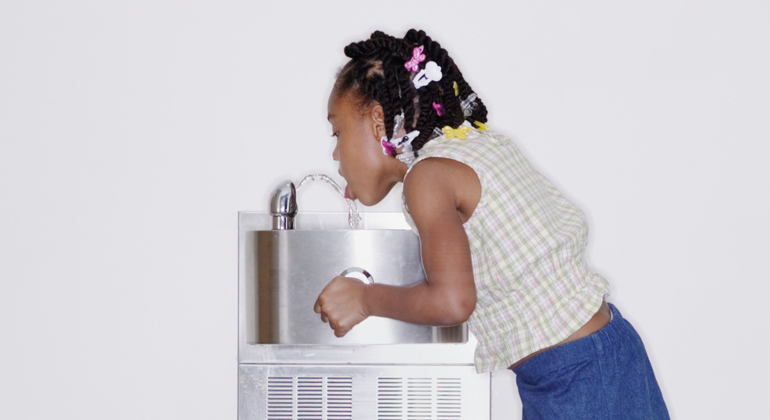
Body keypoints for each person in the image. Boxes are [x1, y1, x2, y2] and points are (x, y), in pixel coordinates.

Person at [314, 29, 669, 419]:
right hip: (600, 356)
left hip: (577, 375)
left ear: (379, 122)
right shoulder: (470, 146)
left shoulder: (426, 179)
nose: (334, 152)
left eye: (337, 132)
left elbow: (452, 302)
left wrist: (364, 299)